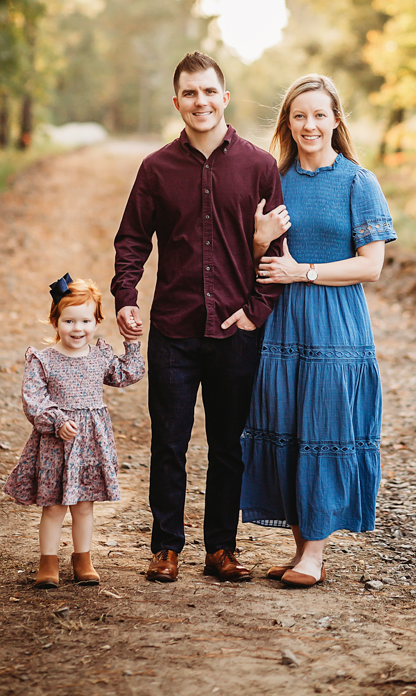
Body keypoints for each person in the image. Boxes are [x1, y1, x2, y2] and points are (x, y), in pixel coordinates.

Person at [112, 51, 284, 583]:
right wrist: (126, 297)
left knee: (228, 445)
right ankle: (165, 547)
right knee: (169, 443)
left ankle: (221, 549)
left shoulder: (259, 166)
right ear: (177, 101)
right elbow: (133, 240)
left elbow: (279, 249)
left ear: (225, 97)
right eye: (190, 93)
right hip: (174, 329)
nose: (200, 102)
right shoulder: (156, 169)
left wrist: (256, 313)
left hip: (236, 330)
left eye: (209, 91)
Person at [240, 74, 397, 587]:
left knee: (325, 428)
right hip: (281, 323)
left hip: (336, 327)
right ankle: (299, 549)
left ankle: (314, 555)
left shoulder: (358, 182)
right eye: (299, 115)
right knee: (286, 427)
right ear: (288, 122)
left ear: (335, 120)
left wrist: (302, 271)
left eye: (319, 115)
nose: (310, 124)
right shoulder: (273, 179)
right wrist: (260, 244)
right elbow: (251, 256)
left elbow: (370, 266)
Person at [4, 274, 145, 588]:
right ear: (55, 322)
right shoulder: (43, 360)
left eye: (85, 321)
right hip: (55, 443)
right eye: (69, 321)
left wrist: (132, 343)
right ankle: (48, 562)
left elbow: (128, 374)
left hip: (90, 444)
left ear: (96, 322)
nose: (77, 329)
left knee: (84, 505)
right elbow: (33, 399)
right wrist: (56, 421)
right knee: (54, 507)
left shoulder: (99, 356)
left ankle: (83, 558)